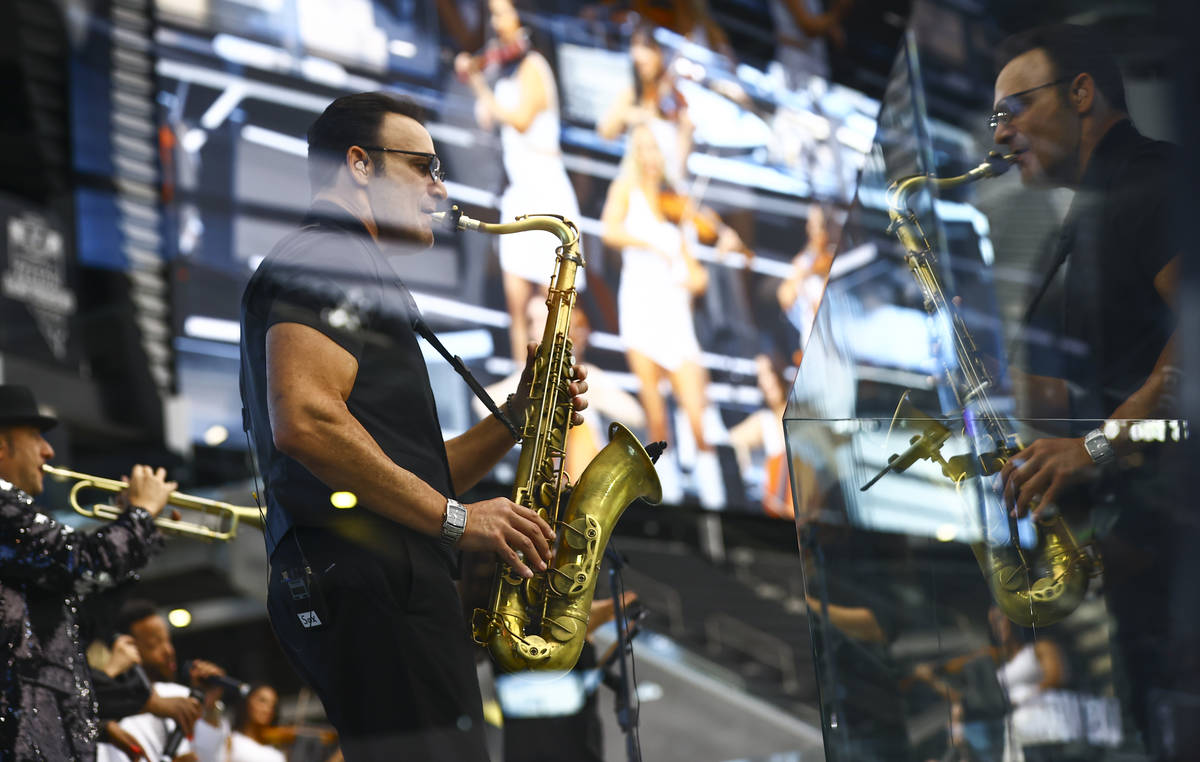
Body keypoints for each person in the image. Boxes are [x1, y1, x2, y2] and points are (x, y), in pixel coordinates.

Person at [238, 91, 588, 760]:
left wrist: (521, 415)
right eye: (424, 166)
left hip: (380, 575)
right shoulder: (327, 255)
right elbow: (307, 423)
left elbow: (410, 474)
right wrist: (458, 521)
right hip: (374, 579)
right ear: (360, 164)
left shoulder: (348, 267)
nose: (439, 187)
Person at [989, 23, 1188, 758]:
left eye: (1015, 107)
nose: (1002, 132)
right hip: (1148, 557)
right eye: (995, 118)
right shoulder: (1081, 222)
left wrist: (1097, 444)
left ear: (1081, 94)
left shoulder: (1153, 183)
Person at [0, 384, 174, 760]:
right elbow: (80, 562)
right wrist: (139, 516)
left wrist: (143, 534)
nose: (48, 451)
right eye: (35, 437)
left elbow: (82, 602)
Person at [600, 123, 723, 508]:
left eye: (655, 148)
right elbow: (609, 231)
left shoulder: (677, 202)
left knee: (697, 416)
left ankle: (714, 499)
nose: (650, 155)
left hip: (674, 314)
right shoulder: (625, 191)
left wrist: (692, 276)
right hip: (640, 306)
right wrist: (651, 242)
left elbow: (698, 276)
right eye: (643, 148)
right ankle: (667, 499)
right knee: (656, 416)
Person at [455, 0, 583, 364]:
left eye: (501, 13)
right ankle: (519, 387)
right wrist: (482, 78)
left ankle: (554, 384)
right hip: (519, 190)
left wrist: (479, 82)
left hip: (545, 189)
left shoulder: (534, 66)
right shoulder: (508, 71)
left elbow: (522, 119)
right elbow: (486, 118)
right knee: (515, 299)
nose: (495, 23)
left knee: (551, 299)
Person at [98, 599, 229, 762]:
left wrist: (209, 707)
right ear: (125, 647)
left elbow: (213, 757)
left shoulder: (180, 694)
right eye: (154, 644)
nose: (168, 651)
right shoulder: (112, 708)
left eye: (168, 640)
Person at [598, 23, 694, 190]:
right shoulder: (632, 93)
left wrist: (686, 133)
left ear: (661, 52)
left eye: (647, 47)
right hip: (632, 184)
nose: (639, 56)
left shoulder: (677, 101)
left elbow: (679, 171)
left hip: (662, 189)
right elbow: (605, 131)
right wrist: (633, 114)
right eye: (635, 46)